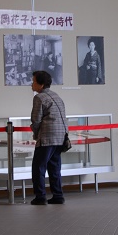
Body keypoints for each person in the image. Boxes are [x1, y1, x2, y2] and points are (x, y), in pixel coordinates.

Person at [29, 70, 67, 205]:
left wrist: (36, 134)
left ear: (41, 84)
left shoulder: (39, 98)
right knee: (54, 167)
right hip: (60, 136)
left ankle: (40, 196)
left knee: (38, 167)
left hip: (47, 137)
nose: (31, 84)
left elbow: (36, 120)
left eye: (33, 81)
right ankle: (58, 195)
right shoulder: (56, 96)